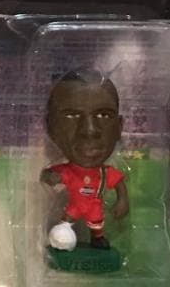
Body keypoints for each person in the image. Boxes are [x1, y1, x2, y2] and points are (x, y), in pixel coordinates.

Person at [40, 69, 129, 250]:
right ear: (50, 127)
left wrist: (122, 201)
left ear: (119, 127)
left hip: (94, 206)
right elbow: (51, 175)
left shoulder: (104, 173)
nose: (89, 130)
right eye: (71, 115)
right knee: (66, 222)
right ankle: (62, 239)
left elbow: (118, 183)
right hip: (75, 206)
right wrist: (48, 177)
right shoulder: (69, 171)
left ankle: (97, 239)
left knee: (96, 223)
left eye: (103, 115)